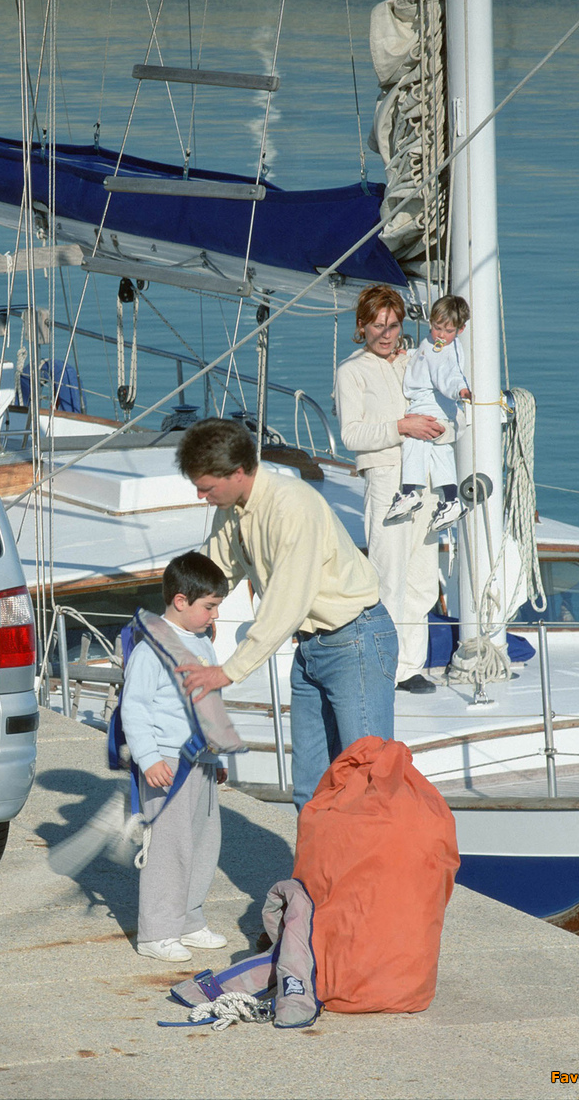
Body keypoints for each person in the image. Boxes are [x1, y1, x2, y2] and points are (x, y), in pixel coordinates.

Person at [173, 418, 397, 809]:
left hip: (356, 641)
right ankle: (313, 853)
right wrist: (170, 624)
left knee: (367, 778)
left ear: (237, 473)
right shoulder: (233, 509)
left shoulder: (292, 506)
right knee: (310, 787)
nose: (200, 496)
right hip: (310, 648)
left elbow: (287, 601)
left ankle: (382, 851)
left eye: (206, 487)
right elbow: (213, 570)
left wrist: (228, 672)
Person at [334, 284, 448, 695]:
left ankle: (411, 665)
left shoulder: (413, 361)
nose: (386, 334)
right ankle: (386, 667)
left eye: (394, 325)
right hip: (386, 477)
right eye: (378, 326)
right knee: (389, 575)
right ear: (362, 325)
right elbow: (351, 434)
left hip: (426, 476)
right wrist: (402, 427)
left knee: (422, 577)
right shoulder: (352, 371)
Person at [121, 552, 231, 963]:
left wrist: (217, 756)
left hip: (202, 761)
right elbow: (134, 707)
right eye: (210, 606)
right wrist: (148, 758)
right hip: (167, 764)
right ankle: (157, 932)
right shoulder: (153, 649)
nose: (215, 615)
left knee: (203, 844)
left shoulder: (202, 643)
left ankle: (188, 919)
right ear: (181, 601)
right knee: (168, 848)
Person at [387, 294, 471, 535]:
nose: (441, 335)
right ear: (431, 322)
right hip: (438, 406)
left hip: (429, 403)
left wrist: (460, 390)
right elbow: (426, 355)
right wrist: (408, 353)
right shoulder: (434, 343)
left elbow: (450, 374)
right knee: (441, 453)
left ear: (461, 330)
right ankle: (451, 500)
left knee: (414, 442)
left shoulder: (448, 352)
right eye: (436, 327)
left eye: (448, 330)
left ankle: (409, 492)